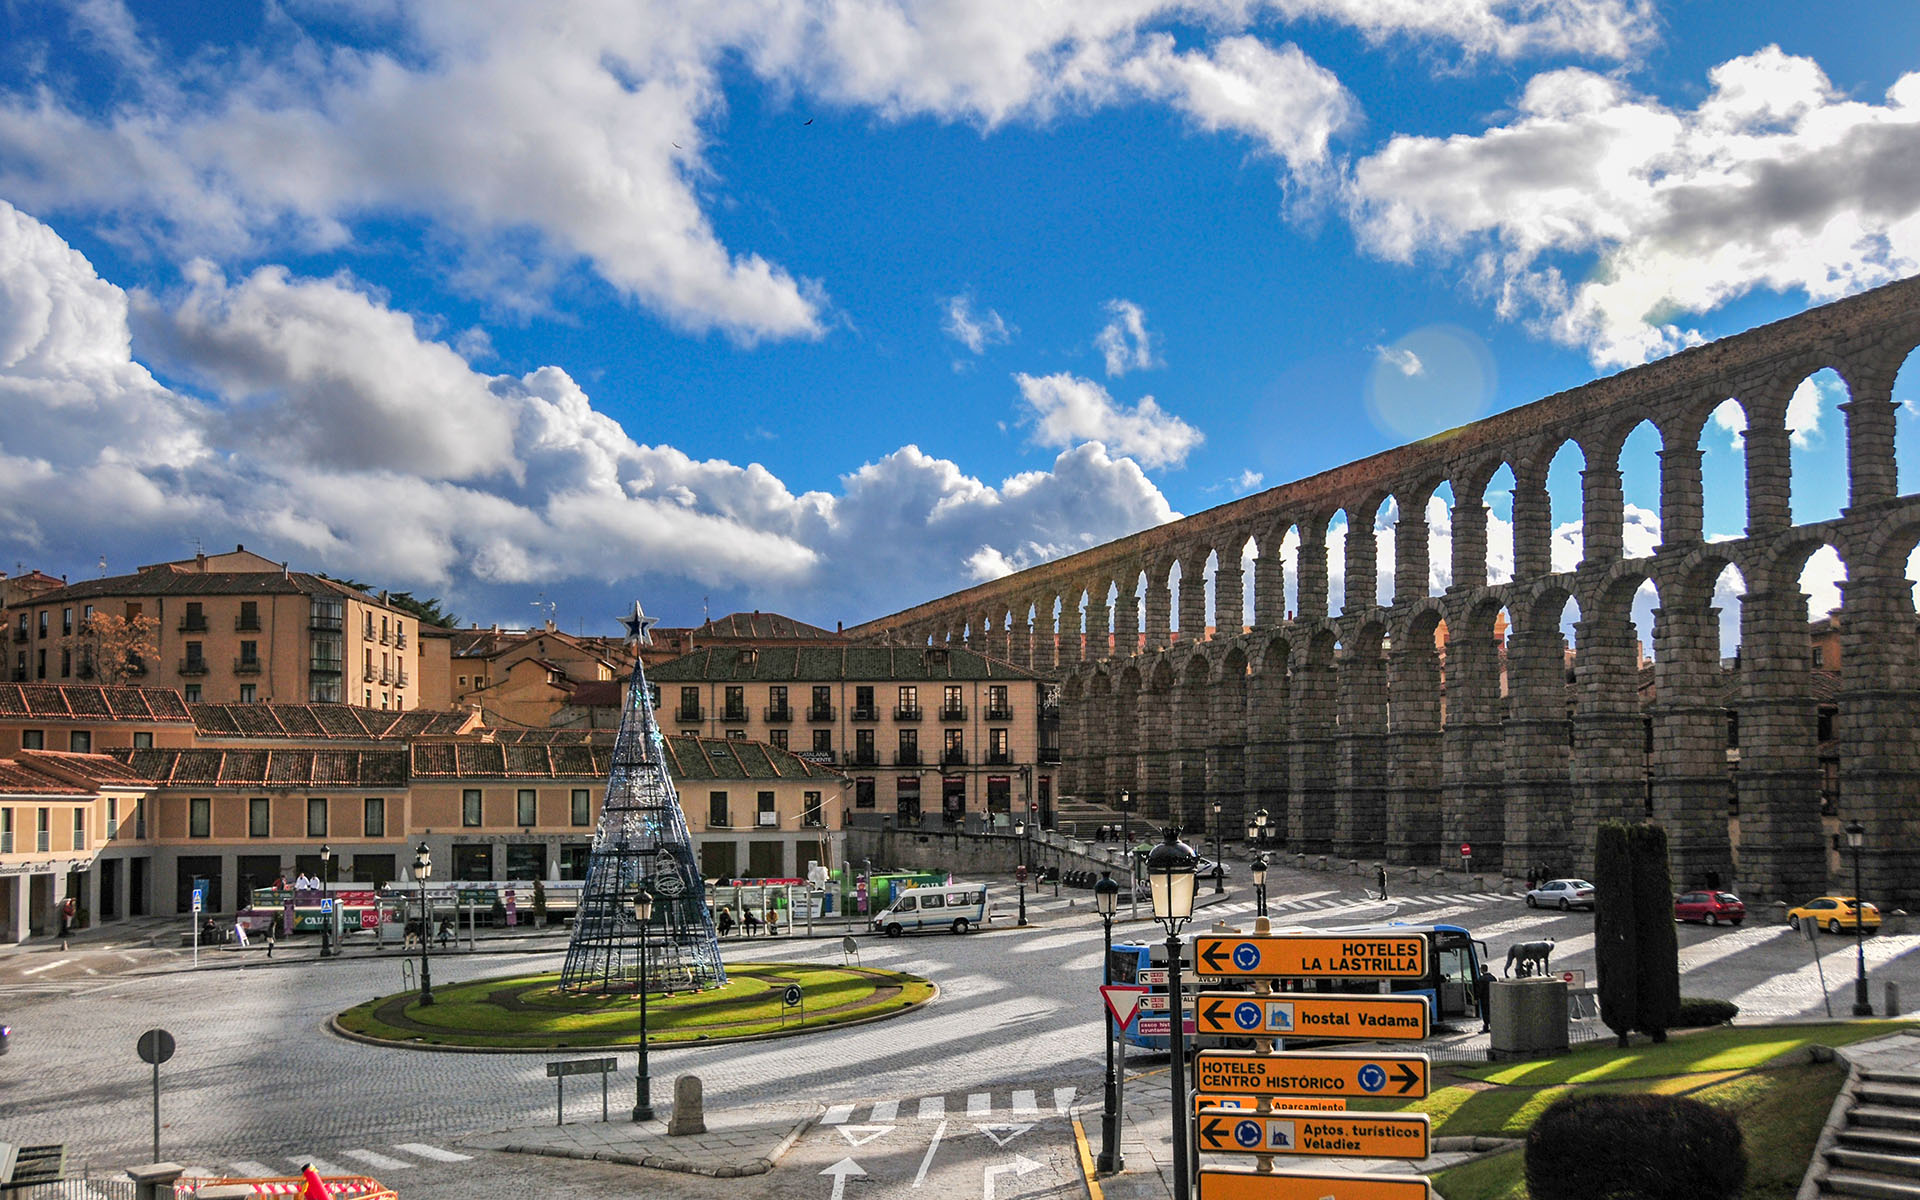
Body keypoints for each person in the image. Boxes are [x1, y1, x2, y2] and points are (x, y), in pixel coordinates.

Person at [1476, 965, 1495, 1032]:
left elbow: (1480, 990)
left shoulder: (1481, 979)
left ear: (1482, 970)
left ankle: (1486, 1026)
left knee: (1485, 1013)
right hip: (1492, 998)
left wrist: (1476, 998)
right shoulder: (1493, 978)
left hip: (1484, 999)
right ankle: (1493, 1026)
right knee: (1491, 1012)